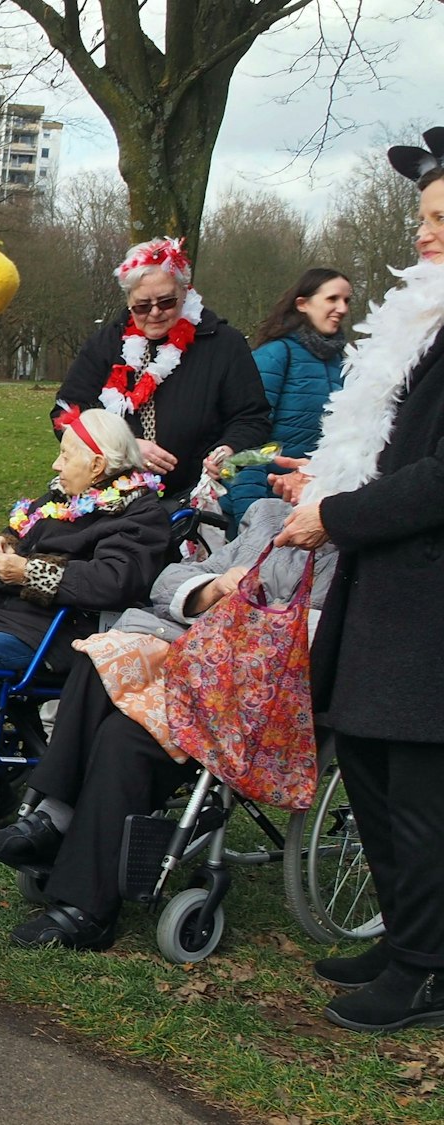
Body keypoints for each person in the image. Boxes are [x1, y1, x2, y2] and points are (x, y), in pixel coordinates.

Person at [0, 497, 333, 949]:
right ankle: (57, 818)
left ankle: (84, 904)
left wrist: (250, 608)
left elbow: (320, 644)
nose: (287, 478)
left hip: (251, 701)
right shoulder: (270, 516)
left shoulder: (353, 549)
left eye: (309, 468)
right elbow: (171, 580)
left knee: (124, 737)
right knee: (100, 656)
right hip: (190, 669)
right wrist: (210, 589)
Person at [270, 127, 444, 1033]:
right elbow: (391, 449)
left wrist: (336, 515)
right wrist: (327, 482)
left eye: (443, 219)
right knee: (369, 773)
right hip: (386, 587)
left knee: (418, 792)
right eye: (423, 217)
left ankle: (425, 968)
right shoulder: (427, 319)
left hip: (429, 606)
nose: (425, 234)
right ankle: (410, 936)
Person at [0, 408, 169, 828]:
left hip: (55, 630)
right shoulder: (58, 498)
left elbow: (115, 580)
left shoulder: (139, 514)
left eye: (65, 456)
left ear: (97, 464)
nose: (56, 465)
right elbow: (14, 535)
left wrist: (30, 572)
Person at [53, 237, 269, 499]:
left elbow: (251, 418)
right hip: (111, 497)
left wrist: (229, 449)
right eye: (142, 306)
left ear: (185, 292)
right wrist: (123, 448)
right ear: (129, 301)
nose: (154, 313)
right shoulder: (105, 345)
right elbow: (66, 412)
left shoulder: (224, 344)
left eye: (166, 302)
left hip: (195, 496)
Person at [222, 269, 353, 524]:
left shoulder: (347, 362)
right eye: (332, 299)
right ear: (302, 304)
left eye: (347, 301)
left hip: (317, 507)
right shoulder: (276, 355)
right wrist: (253, 519)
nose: (343, 308)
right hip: (268, 505)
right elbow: (247, 444)